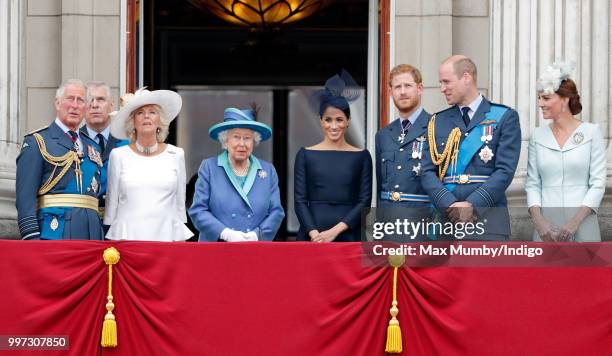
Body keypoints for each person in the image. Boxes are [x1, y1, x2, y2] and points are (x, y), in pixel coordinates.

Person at [420, 55, 521, 241]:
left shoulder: (505, 117)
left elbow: (505, 171)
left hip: (488, 221)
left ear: (466, 77)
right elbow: (426, 172)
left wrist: (472, 205)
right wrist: (450, 205)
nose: (442, 89)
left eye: (446, 82)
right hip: (447, 221)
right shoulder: (437, 121)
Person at [526, 61, 606, 242]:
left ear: (565, 99)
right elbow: (532, 184)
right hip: (546, 230)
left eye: (545, 98)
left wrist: (575, 222)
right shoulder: (537, 136)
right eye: (539, 98)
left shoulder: (591, 132)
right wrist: (539, 222)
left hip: (583, 226)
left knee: (585, 271)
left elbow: (598, 183)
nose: (540, 104)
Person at [15, 78, 104, 240]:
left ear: (85, 108)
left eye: (81, 101)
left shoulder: (94, 147)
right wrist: (31, 238)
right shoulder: (37, 142)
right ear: (57, 103)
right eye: (70, 99)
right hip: (54, 233)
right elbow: (25, 199)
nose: (75, 106)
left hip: (92, 235)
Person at [104, 88, 193, 241]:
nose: (146, 116)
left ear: (160, 120)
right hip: (128, 239)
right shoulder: (118, 155)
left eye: (152, 112)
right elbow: (111, 209)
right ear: (132, 122)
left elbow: (179, 209)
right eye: (140, 112)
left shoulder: (177, 154)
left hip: (166, 238)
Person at [294, 71, 372, 242]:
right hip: (312, 236)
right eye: (328, 120)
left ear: (348, 120)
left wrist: (334, 232)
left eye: (339, 119)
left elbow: (364, 202)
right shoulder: (305, 155)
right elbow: (300, 201)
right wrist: (315, 234)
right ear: (321, 121)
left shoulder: (362, 156)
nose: (334, 126)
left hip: (349, 234)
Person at [188, 106, 285, 242]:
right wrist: (225, 233)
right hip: (216, 250)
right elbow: (198, 210)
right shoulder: (209, 168)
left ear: (254, 141)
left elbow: (276, 212)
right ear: (225, 141)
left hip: (255, 249)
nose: (242, 144)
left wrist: (258, 235)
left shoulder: (268, 171)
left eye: (247, 138)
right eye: (236, 137)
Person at [375, 64, 431, 241]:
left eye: (408, 85)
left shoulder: (436, 128)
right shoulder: (383, 135)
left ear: (420, 88)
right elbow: (381, 187)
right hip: (389, 228)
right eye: (397, 87)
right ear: (390, 92)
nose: (403, 92)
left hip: (423, 227)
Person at [81, 81, 128, 222]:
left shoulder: (127, 142)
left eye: (100, 99)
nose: (94, 105)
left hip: (120, 222)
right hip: (84, 221)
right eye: (89, 100)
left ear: (111, 105)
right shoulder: (72, 142)